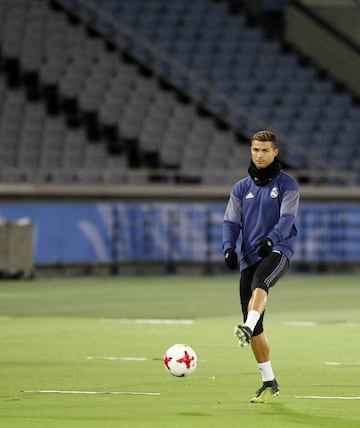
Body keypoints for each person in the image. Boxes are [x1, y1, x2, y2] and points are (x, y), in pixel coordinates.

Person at [222, 130, 300, 403]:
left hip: (279, 250)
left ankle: (247, 324)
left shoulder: (288, 184)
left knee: (261, 282)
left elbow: (287, 219)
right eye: (256, 150)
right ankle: (269, 381)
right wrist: (229, 247)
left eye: (265, 150)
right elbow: (231, 222)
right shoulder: (241, 188)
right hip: (249, 256)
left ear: (275, 152)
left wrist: (272, 239)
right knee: (256, 328)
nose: (260, 155)